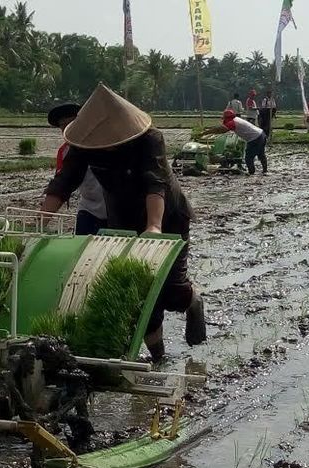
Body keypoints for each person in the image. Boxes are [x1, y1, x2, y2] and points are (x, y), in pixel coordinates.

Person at [41, 84, 206, 362]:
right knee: (139, 292)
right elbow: (65, 181)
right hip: (121, 216)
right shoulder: (85, 145)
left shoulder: (149, 139)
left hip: (167, 215)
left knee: (170, 291)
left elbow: (156, 183)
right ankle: (159, 358)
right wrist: (42, 219)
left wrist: (154, 226)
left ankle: (193, 301)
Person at [48, 103, 107, 236]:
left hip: (119, 210)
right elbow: (62, 184)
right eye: (63, 127)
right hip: (89, 209)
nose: (67, 130)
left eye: (71, 124)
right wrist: (40, 220)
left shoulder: (108, 143)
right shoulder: (65, 151)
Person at [201, 109, 267, 175]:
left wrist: (205, 133)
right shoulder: (237, 119)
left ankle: (251, 172)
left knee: (248, 157)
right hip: (261, 134)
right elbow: (220, 128)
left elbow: (221, 130)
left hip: (255, 138)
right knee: (261, 154)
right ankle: (265, 170)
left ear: (227, 118)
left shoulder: (232, 122)